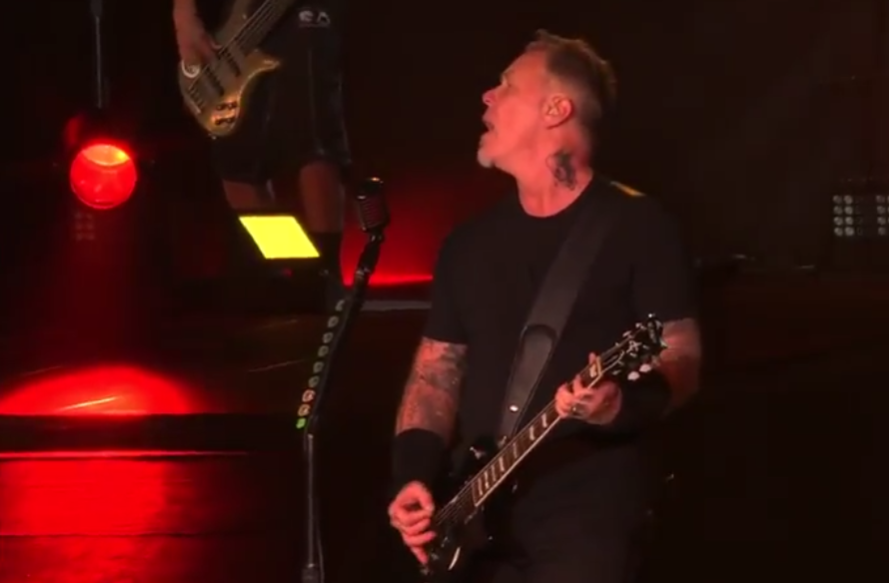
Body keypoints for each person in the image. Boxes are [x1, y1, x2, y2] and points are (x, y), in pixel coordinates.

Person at [387, 31, 703, 583]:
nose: (487, 96)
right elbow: (436, 371)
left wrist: (618, 405)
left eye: (507, 85)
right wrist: (414, 474)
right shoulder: (467, 244)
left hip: (587, 507)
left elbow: (682, 356)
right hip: (474, 514)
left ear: (557, 109)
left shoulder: (639, 225)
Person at [172, 0, 348, 304]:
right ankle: (289, 265)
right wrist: (185, 17)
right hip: (243, 14)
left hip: (307, 10)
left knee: (312, 128)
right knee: (237, 155)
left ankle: (324, 273)